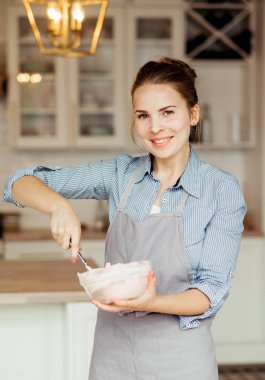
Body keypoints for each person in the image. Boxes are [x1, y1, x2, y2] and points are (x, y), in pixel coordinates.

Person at [3, 57, 246, 380]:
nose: (155, 128)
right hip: (112, 358)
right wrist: (58, 206)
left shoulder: (221, 190)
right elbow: (18, 182)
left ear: (193, 113)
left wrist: (153, 300)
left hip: (182, 361)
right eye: (143, 115)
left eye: (168, 112)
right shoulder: (120, 175)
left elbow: (210, 292)